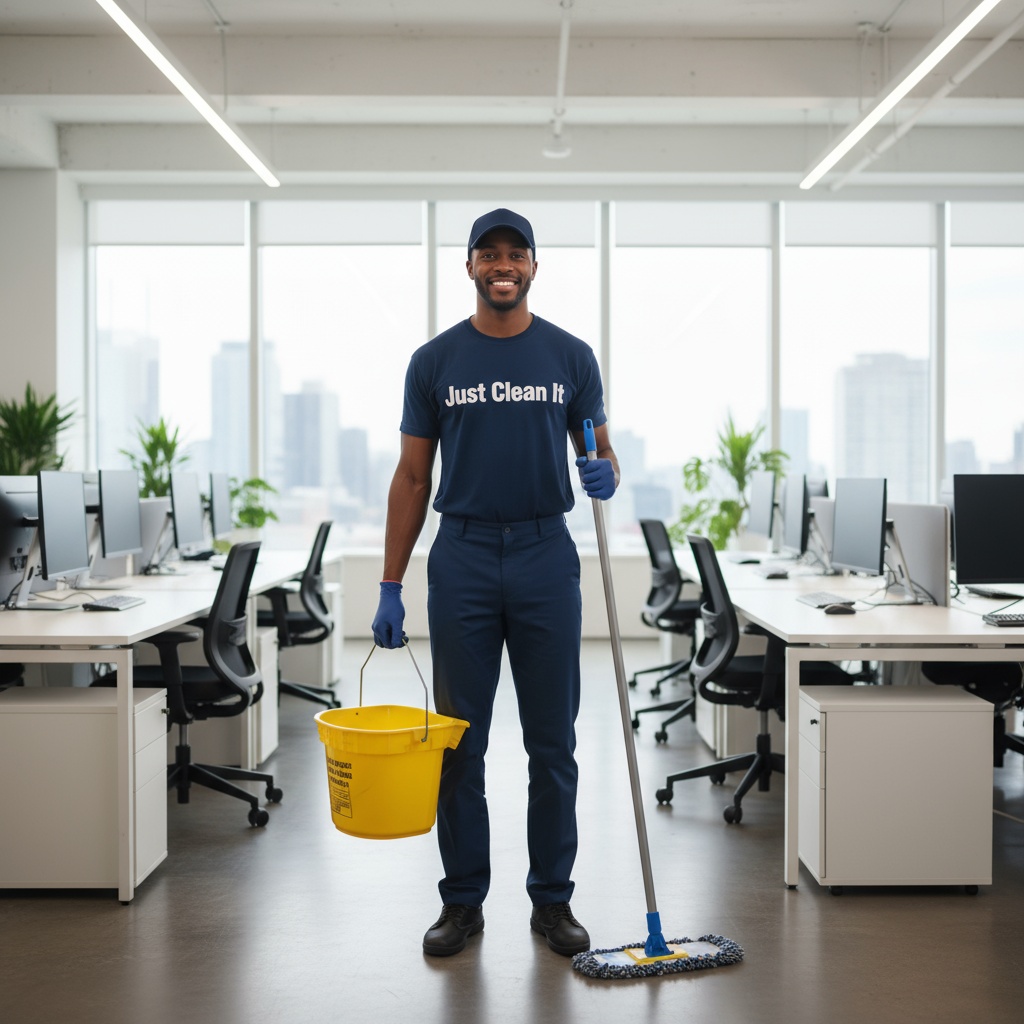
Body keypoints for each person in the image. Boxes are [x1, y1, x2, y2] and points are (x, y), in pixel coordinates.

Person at [371, 208, 619, 959]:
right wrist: (391, 582)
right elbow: (413, 477)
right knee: (459, 745)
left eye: (516, 254)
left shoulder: (571, 356)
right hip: (465, 557)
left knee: (553, 744)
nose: (502, 266)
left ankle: (553, 902)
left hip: (546, 553)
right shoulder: (435, 361)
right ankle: (462, 903)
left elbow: (600, 447)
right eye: (489, 254)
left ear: (535, 267)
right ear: (470, 266)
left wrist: (605, 471)